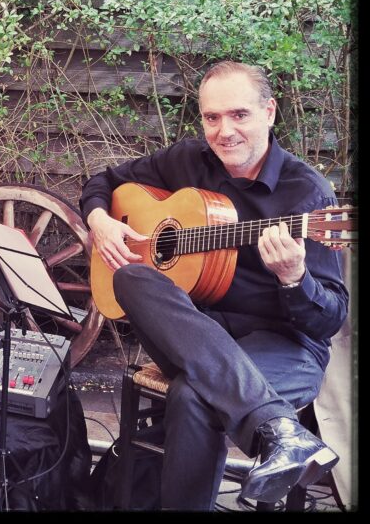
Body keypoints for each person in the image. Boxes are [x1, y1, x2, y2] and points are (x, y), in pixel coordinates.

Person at [81, 60, 347, 510]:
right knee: (129, 276)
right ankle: (279, 432)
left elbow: (330, 320)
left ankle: (274, 428)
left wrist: (294, 278)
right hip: (195, 334)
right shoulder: (188, 160)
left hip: (285, 346)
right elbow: (105, 181)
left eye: (239, 114)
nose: (225, 131)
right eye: (212, 117)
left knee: (192, 395)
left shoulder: (310, 198)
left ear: (270, 112)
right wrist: (100, 221)